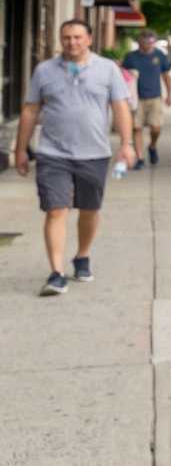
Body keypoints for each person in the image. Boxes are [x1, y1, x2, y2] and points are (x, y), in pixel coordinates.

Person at [12, 19, 137, 296]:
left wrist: (127, 145)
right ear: (61, 40)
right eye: (67, 38)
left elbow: (120, 107)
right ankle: (56, 273)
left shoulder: (107, 70)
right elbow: (30, 110)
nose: (72, 42)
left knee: (89, 209)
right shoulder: (44, 71)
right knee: (56, 209)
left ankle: (82, 255)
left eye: (78, 37)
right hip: (52, 153)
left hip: (94, 153)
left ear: (89, 39)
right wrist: (20, 149)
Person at [120, 30, 171, 166]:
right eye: (145, 42)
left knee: (156, 128)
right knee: (137, 128)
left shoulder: (159, 55)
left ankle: (152, 146)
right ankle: (140, 157)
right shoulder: (131, 57)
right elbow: (122, 76)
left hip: (155, 97)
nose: (148, 45)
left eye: (151, 42)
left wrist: (169, 94)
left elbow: (166, 75)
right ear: (139, 42)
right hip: (136, 99)